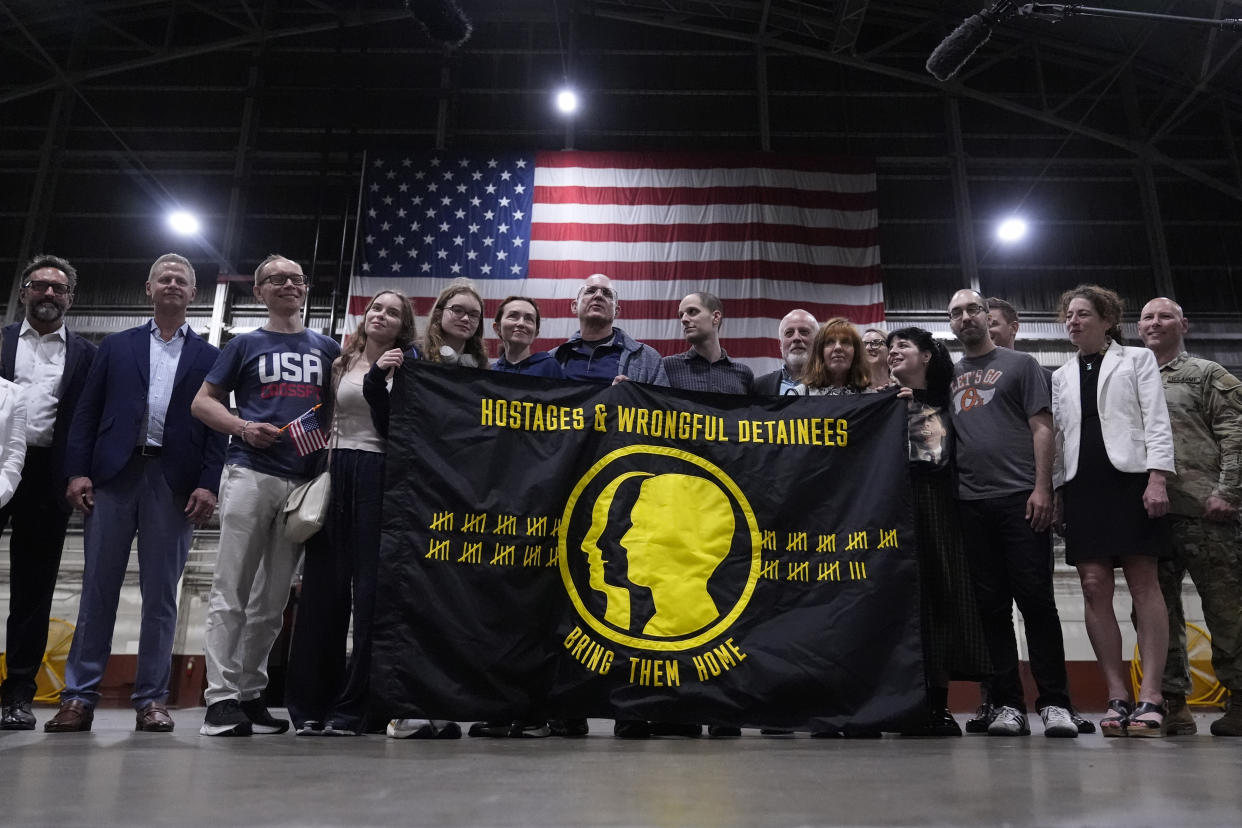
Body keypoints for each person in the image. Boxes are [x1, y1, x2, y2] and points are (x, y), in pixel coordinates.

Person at [42, 255, 225, 733]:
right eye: (163, 278)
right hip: (113, 478)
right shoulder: (116, 346)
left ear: (193, 293)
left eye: (180, 280)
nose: (171, 284)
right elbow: (86, 412)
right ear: (148, 288)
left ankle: (151, 700)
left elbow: (215, 430)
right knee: (97, 592)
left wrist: (208, 482)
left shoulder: (210, 357)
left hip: (174, 483)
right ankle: (78, 698)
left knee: (161, 596)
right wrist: (77, 472)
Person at [191, 254, 340, 737]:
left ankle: (252, 692)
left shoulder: (328, 347)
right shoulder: (244, 344)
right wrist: (242, 426)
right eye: (276, 279)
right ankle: (220, 698)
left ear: (305, 287)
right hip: (251, 473)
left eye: (296, 278)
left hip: (304, 483)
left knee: (273, 600)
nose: (288, 285)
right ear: (259, 292)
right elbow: (202, 402)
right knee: (231, 589)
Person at [283, 289, 417, 738]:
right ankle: (309, 706)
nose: (382, 315)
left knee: (371, 596)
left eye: (393, 312)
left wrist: (381, 379)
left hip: (380, 474)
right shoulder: (341, 362)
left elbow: (394, 429)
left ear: (403, 325)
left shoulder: (407, 367)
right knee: (323, 590)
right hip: (335, 471)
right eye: (377, 308)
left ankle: (358, 707)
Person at [946, 288, 1078, 738]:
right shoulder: (949, 373)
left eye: (971, 310)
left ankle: (1056, 703)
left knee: (1037, 601)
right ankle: (1007, 704)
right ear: (951, 324)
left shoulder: (1022, 366)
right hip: (970, 504)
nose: (965, 318)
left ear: (987, 316)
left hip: (1020, 498)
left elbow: (1043, 428)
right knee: (991, 608)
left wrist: (1044, 488)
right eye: (956, 313)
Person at [1052, 284, 1175, 737]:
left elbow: (1155, 419)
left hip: (1132, 479)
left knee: (1145, 583)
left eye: (1083, 314)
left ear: (1107, 320)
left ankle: (1153, 695)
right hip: (1083, 485)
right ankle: (1117, 694)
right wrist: (1058, 490)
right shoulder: (1060, 375)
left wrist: (1158, 477)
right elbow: (1062, 438)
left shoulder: (1137, 360)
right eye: (1068, 316)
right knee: (1092, 585)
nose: (1073, 321)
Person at [380, 280, 483, 741]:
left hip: (464, 494)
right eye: (457, 310)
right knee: (415, 597)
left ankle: (443, 704)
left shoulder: (483, 366)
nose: (465, 318)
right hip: (419, 490)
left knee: (455, 605)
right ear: (439, 312)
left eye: (473, 315)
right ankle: (405, 709)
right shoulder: (414, 359)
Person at [0, 254, 97, 731]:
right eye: (40, 286)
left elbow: (88, 421)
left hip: (48, 478)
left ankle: (17, 694)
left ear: (70, 299)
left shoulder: (85, 355)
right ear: (24, 293)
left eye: (58, 289)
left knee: (33, 590)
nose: (49, 295)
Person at [1138, 297, 1242, 737]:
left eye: (1164, 316)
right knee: (1156, 616)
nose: (1155, 323)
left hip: (1206, 512)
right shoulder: (1131, 377)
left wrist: (1229, 491)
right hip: (1150, 516)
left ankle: (1240, 699)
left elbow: (1235, 431)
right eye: (1147, 317)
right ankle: (1173, 703)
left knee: (1228, 610)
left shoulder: (1206, 374)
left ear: (1184, 324)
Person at [887, 326, 991, 736]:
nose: (893, 351)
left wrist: (916, 409)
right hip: (891, 510)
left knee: (940, 601)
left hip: (937, 508)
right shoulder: (881, 400)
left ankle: (937, 703)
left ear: (927, 355)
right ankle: (900, 701)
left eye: (904, 346)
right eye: (890, 346)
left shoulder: (951, 400)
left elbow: (943, 454)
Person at [552, 273, 668, 385]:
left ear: (616, 312)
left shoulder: (647, 359)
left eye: (607, 294)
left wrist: (634, 396)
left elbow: (662, 403)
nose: (598, 295)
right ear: (574, 307)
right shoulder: (552, 359)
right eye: (590, 291)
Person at [661, 292, 753, 394]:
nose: (684, 319)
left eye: (692, 311)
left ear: (716, 317)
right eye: (681, 315)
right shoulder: (667, 367)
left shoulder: (743, 374)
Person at [792, 317, 871, 396]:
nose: (838, 347)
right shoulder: (798, 394)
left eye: (845, 342)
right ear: (820, 352)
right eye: (830, 342)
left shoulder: (872, 397)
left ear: (856, 352)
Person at [491, 296, 563, 377]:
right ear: (497, 328)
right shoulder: (489, 372)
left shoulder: (550, 368)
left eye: (529, 319)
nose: (521, 323)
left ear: (536, 333)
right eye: (513, 316)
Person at [754, 309, 818, 395]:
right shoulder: (757, 387)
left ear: (818, 342)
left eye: (804, 332)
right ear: (780, 345)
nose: (796, 338)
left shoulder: (836, 385)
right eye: (789, 333)